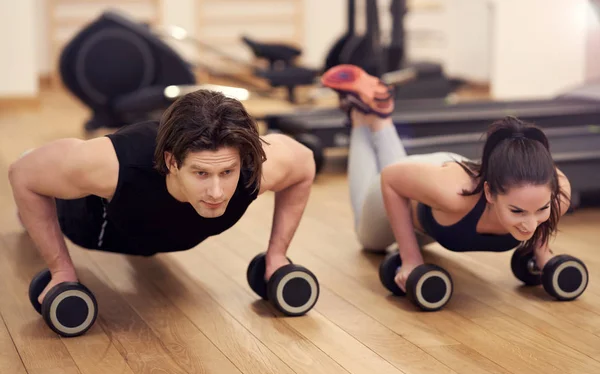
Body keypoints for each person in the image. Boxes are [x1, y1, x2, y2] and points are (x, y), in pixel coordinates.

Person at [9, 89, 316, 305]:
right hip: (97, 227)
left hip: (169, 232)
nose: (217, 192)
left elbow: (304, 165)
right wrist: (61, 269)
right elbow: (21, 174)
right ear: (172, 162)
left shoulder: (255, 167)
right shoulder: (115, 165)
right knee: (41, 182)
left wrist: (277, 255)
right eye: (201, 174)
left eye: (227, 173)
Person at [321, 64, 572, 293]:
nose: (530, 224)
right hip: (426, 180)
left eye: (541, 209)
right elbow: (390, 177)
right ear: (489, 193)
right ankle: (361, 118)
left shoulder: (557, 193)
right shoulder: (454, 196)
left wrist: (543, 256)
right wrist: (410, 259)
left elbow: (536, 210)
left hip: (439, 176)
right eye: (517, 211)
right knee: (369, 240)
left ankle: (375, 115)